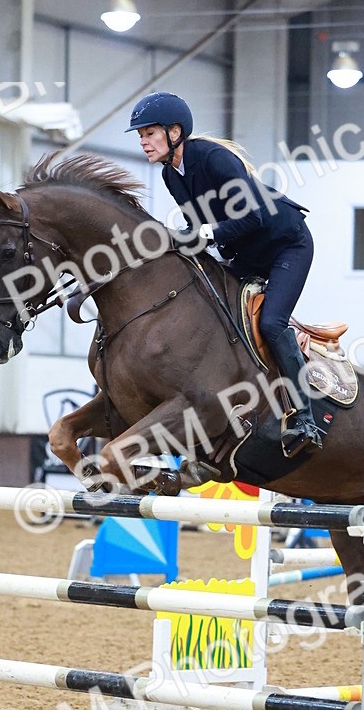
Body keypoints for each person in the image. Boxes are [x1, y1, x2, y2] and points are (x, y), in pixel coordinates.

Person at [126, 90, 320, 456]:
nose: (143, 142)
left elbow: (252, 217)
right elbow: (197, 225)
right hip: (244, 252)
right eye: (141, 136)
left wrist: (202, 235)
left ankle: (303, 415)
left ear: (174, 132)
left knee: (272, 324)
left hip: (285, 246)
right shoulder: (173, 174)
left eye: (149, 133)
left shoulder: (215, 158)